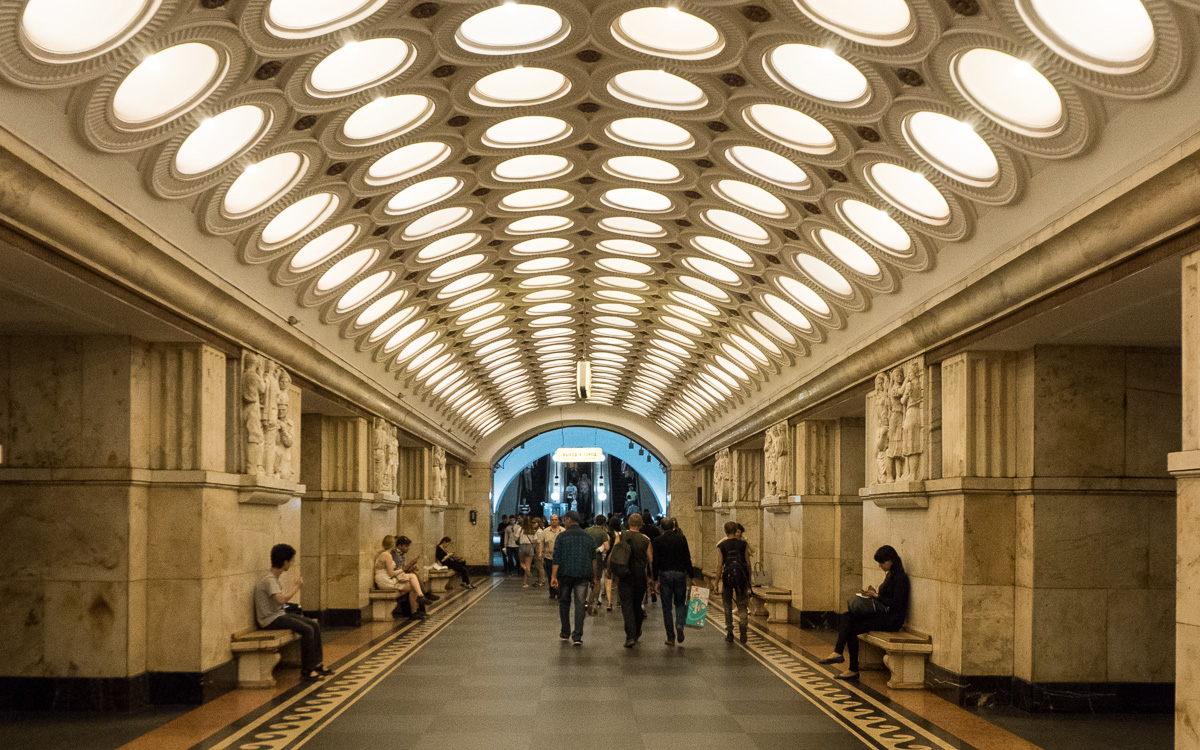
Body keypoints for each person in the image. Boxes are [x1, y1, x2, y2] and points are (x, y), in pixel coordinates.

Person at [820, 545, 911, 681]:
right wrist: (873, 593)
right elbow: (887, 598)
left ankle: (852, 668)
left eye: (882, 562)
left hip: (892, 620)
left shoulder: (901, 578)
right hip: (884, 614)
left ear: (891, 560)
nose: (880, 565)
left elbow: (897, 604)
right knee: (847, 616)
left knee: (852, 628)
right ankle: (839, 653)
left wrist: (876, 596)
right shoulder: (891, 574)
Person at [254, 543, 331, 681]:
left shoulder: (273, 578)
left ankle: (317, 664)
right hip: (270, 619)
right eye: (291, 561)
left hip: (278, 615)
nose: (291, 564)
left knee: (314, 625)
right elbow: (281, 600)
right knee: (307, 629)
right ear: (285, 562)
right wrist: (297, 587)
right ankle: (307, 670)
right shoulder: (269, 580)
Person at [551, 511, 596, 646]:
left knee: (564, 603)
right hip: (582, 575)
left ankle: (565, 632)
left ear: (569, 520)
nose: (564, 522)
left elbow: (556, 557)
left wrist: (553, 576)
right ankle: (577, 636)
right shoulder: (588, 537)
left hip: (565, 575)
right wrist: (594, 577)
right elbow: (593, 559)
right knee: (580, 605)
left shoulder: (562, 537)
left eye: (565, 519)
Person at [610, 513, 653, 648]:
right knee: (637, 605)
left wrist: (611, 570)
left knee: (627, 606)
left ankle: (630, 636)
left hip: (624, 576)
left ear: (628, 523)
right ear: (641, 525)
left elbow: (614, 554)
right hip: (640, 576)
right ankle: (637, 631)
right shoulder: (645, 539)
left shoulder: (620, 536)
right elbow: (651, 560)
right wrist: (652, 578)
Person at [651, 517, 693, 646]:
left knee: (666, 607)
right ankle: (680, 624)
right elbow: (687, 557)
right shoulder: (681, 539)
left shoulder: (658, 541)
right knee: (680, 603)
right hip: (680, 573)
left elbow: (655, 561)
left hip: (665, 574)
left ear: (661, 528)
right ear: (673, 527)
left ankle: (670, 637)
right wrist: (692, 575)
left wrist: (654, 580)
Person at [376, 535, 433, 619]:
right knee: (413, 577)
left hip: (387, 579)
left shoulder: (388, 554)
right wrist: (402, 570)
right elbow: (391, 573)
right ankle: (421, 596)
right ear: (393, 543)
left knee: (413, 585)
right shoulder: (387, 555)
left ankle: (415, 610)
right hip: (385, 581)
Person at [717, 521, 751, 644]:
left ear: (725, 531)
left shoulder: (722, 545)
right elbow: (748, 563)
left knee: (727, 605)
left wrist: (716, 583)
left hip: (727, 577)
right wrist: (749, 580)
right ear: (736, 530)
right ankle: (743, 625)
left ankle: (730, 632)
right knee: (742, 604)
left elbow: (719, 565)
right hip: (741, 577)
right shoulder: (743, 544)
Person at [394, 536, 440, 603]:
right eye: (406, 546)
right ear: (400, 546)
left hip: (400, 574)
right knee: (414, 583)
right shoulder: (396, 554)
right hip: (396, 577)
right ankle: (424, 595)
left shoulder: (401, 554)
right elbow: (398, 570)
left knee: (415, 575)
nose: (408, 548)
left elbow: (403, 568)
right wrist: (411, 563)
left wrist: (411, 568)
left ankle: (424, 594)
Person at [584, 514, 609, 614]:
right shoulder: (603, 532)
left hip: (586, 557)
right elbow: (607, 546)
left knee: (586, 580)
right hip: (597, 558)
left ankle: (585, 599)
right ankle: (595, 600)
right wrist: (599, 548)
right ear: (604, 522)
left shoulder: (587, 530)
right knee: (597, 579)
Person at [538, 514, 565, 599]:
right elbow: (541, 542)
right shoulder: (545, 531)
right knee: (550, 575)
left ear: (558, 521)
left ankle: (559, 591)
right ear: (550, 521)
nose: (554, 521)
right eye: (552, 520)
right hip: (549, 556)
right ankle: (552, 592)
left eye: (555, 520)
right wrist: (540, 552)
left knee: (559, 575)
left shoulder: (563, 530)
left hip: (560, 557)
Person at [518, 516, 538, 588]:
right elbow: (535, 540)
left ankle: (525, 569)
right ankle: (525, 583)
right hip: (530, 547)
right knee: (528, 565)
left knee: (522, 563)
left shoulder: (520, 529)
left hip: (522, 546)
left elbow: (516, 538)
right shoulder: (532, 530)